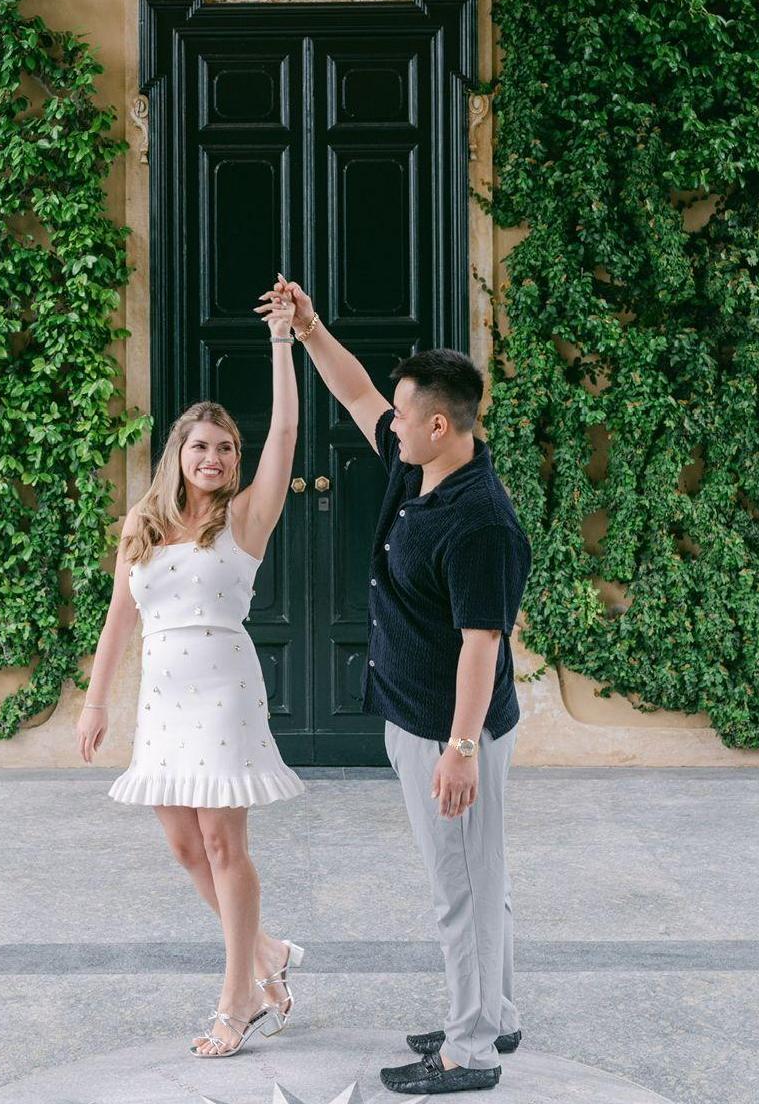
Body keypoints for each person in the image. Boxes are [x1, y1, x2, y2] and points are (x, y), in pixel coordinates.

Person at [262, 277, 531, 1095]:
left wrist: (460, 750)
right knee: (480, 878)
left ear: (439, 425)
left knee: (462, 891)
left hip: (454, 729)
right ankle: (496, 1014)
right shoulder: (421, 468)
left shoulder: (480, 521)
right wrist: (310, 329)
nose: (392, 424)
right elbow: (355, 394)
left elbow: (483, 646)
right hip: (420, 717)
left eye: (405, 416)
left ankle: (470, 1051)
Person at [76, 290, 307, 1060]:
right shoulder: (141, 525)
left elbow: (286, 431)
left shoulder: (245, 518)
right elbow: (119, 620)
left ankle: (238, 996)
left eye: (226, 449)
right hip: (162, 700)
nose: (214, 458)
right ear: (178, 452)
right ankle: (267, 951)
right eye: (201, 446)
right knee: (183, 844)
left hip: (224, 694)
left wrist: (283, 341)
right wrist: (95, 702)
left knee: (222, 842)